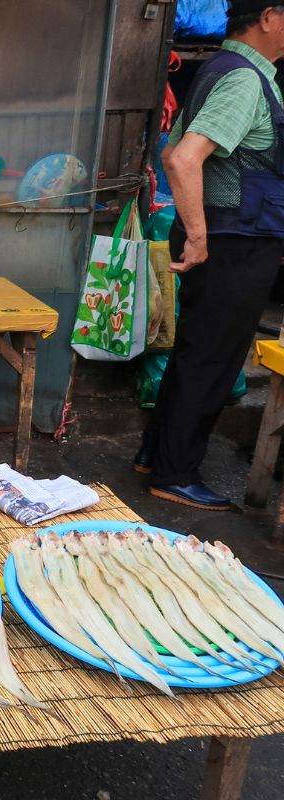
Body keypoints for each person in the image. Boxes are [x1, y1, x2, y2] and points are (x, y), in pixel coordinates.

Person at [136, 1, 284, 511]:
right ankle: (176, 474)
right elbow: (182, 157)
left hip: (228, 237)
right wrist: (198, 235)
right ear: (268, 16)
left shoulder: (218, 70)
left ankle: (156, 454)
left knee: (195, 349)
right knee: (213, 359)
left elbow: (172, 148)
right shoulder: (245, 80)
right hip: (235, 241)